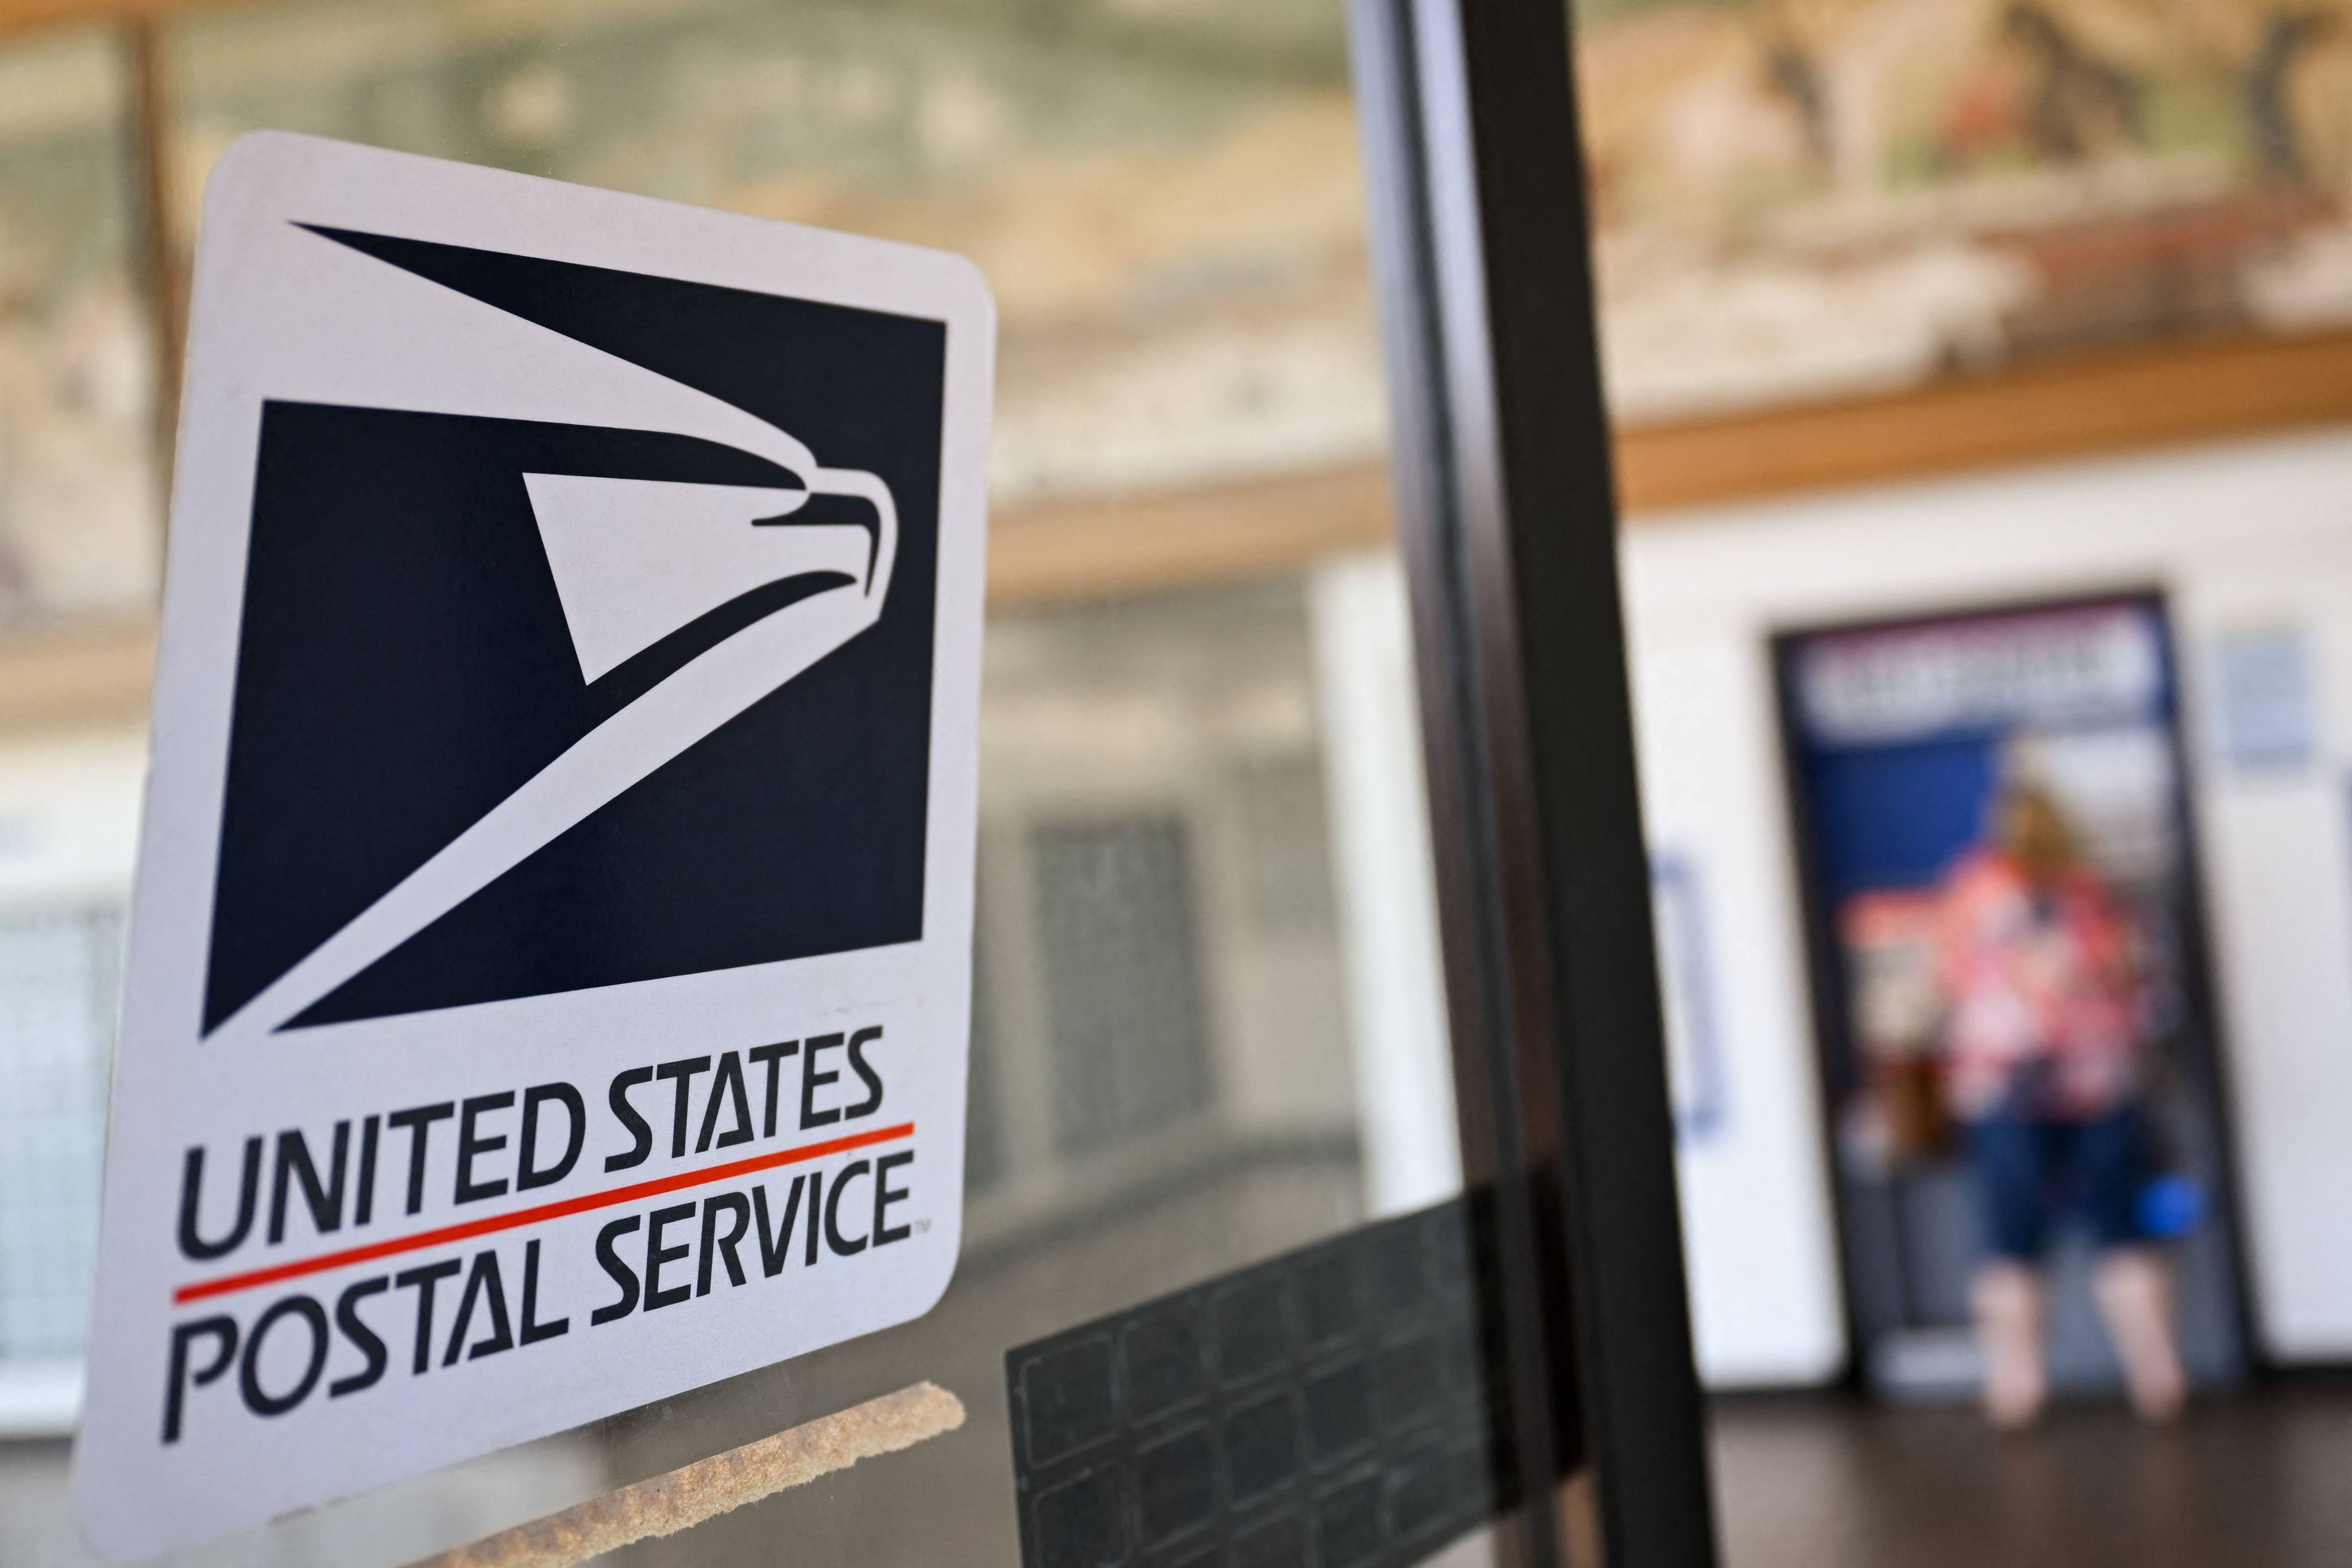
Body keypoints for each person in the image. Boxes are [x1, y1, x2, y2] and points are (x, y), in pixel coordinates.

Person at [1934, 778, 2186, 1428]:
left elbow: (1944, 982)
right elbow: (2145, 986)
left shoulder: (1973, 892)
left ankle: (2018, 1389)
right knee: (2122, 1230)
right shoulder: (2095, 893)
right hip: (2099, 1082)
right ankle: (2158, 1379)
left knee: (2011, 1241)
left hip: (2006, 1088)